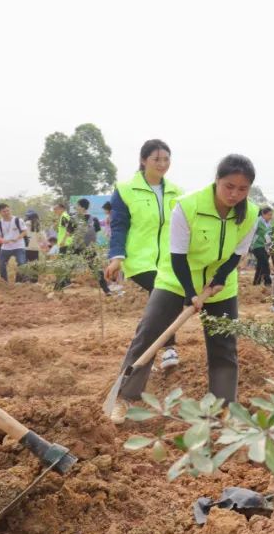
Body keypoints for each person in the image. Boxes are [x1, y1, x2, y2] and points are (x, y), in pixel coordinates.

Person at [109, 154, 259, 424]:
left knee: (224, 344)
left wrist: (221, 278)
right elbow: (177, 256)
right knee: (149, 333)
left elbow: (238, 252)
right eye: (229, 186)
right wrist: (190, 292)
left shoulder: (251, 213)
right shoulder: (188, 206)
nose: (235, 194)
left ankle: (221, 408)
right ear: (217, 181)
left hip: (219, 284)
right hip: (176, 279)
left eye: (242, 189)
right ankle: (125, 398)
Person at [106, 140, 186, 364]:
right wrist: (116, 257)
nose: (162, 164)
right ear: (143, 161)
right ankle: (166, 348)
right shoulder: (125, 190)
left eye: (166, 159)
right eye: (156, 159)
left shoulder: (176, 192)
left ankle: (145, 351)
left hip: (169, 260)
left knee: (165, 299)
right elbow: (119, 225)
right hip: (139, 259)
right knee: (164, 295)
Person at [73, 198, 111, 295]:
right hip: (87, 247)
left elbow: (70, 232)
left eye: (77, 206)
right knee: (96, 268)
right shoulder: (93, 219)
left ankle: (106, 290)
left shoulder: (76, 218)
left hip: (81, 247)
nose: (76, 207)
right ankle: (106, 290)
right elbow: (97, 231)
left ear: (81, 207)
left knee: (95, 269)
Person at [0, 203, 27, 282]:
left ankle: (19, 281)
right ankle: (4, 281)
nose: (6, 213)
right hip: (6, 247)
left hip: (18, 245)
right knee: (2, 264)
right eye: (4, 211)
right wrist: (2, 240)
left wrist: (18, 238)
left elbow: (25, 231)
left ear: (10, 210)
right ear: (0, 212)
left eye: (7, 210)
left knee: (21, 263)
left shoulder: (18, 220)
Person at [251, 206, 274, 287]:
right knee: (265, 263)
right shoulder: (258, 221)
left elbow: (269, 237)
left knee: (260, 265)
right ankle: (268, 282)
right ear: (263, 214)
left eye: (271, 215)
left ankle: (256, 283)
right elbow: (251, 233)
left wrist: (270, 248)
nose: (271, 217)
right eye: (269, 215)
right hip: (257, 245)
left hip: (265, 247)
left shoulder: (269, 224)